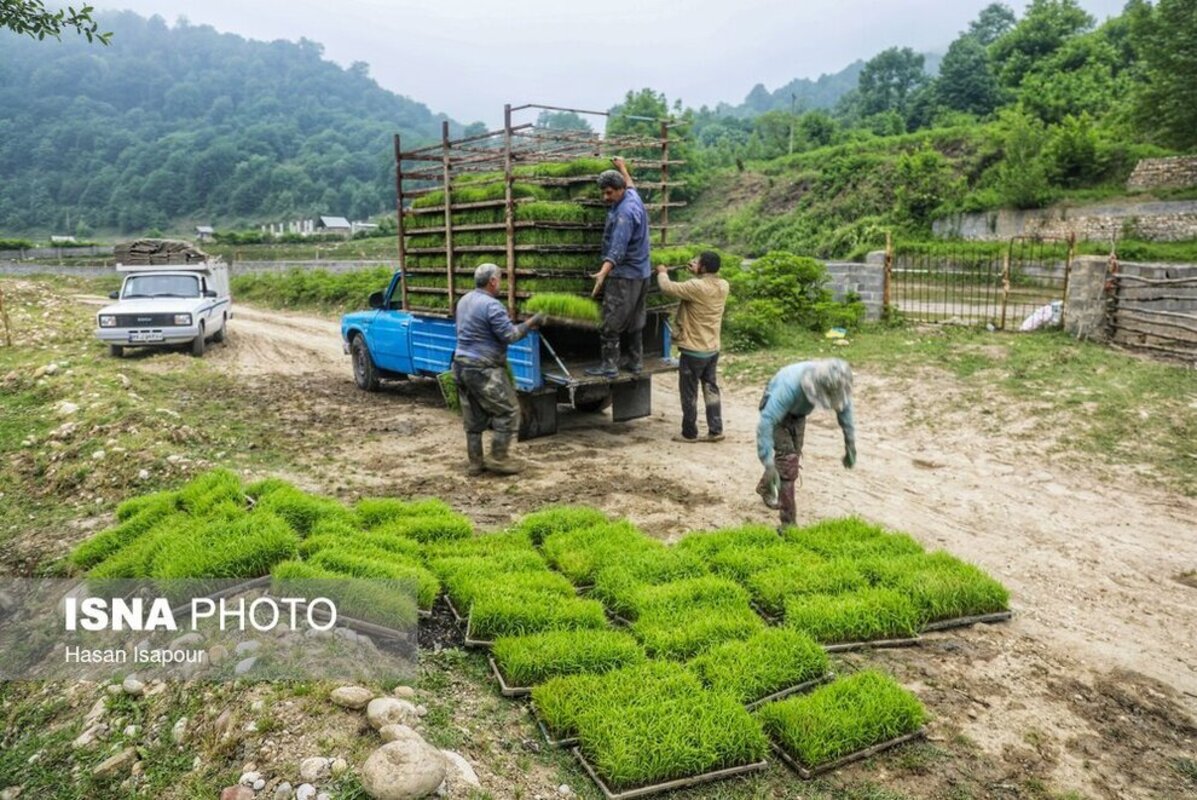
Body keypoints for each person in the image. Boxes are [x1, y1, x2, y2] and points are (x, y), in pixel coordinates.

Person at [452, 263, 544, 475]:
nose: (501, 283)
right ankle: (499, 458)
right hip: (483, 369)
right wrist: (532, 322)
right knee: (509, 410)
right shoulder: (492, 306)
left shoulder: (464, 300)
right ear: (492, 281)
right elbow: (509, 336)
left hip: (460, 365)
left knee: (473, 419)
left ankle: (475, 464)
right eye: (500, 279)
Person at [755, 359, 857, 529]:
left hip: (798, 414)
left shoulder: (837, 384)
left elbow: (845, 412)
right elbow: (766, 422)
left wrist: (850, 445)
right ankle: (788, 525)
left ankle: (765, 487)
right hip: (776, 415)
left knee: (792, 456)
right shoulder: (788, 388)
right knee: (787, 463)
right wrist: (767, 461)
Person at [655, 251, 730, 443]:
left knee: (689, 392)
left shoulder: (695, 286)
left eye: (698, 263)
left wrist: (662, 272)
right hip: (712, 347)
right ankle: (716, 429)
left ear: (703, 267)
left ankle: (689, 433)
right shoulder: (723, 285)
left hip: (693, 349)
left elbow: (667, 288)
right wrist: (696, 274)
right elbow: (701, 287)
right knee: (710, 388)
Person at [587, 155, 651, 378]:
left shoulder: (624, 212)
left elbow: (617, 248)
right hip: (642, 274)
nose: (606, 197)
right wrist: (623, 167)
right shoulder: (632, 196)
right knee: (635, 321)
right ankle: (635, 363)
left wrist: (603, 273)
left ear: (619, 190)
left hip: (624, 276)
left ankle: (609, 366)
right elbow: (631, 183)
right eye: (603, 193)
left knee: (610, 323)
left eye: (609, 193)